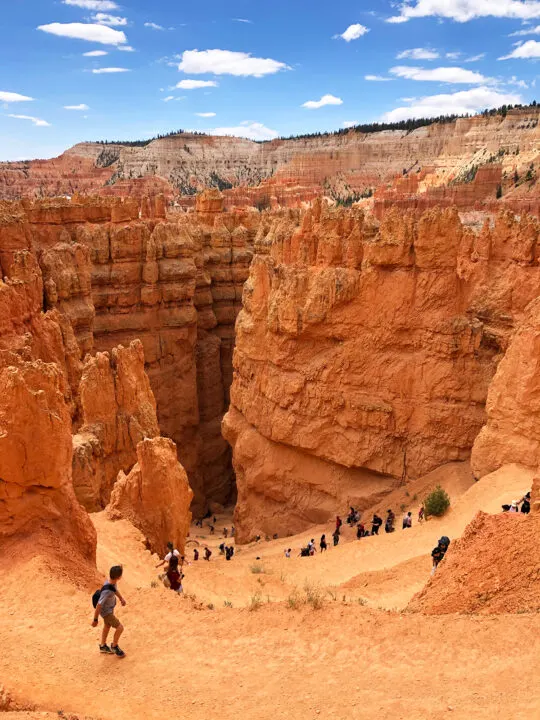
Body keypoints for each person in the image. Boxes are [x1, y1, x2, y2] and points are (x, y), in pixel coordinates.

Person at [91, 565, 126, 658]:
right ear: (118, 577)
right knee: (120, 628)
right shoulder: (107, 591)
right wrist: (95, 619)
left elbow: (114, 590)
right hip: (107, 612)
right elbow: (99, 605)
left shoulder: (111, 582)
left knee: (107, 626)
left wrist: (121, 598)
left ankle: (103, 646)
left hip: (108, 609)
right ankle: (114, 646)